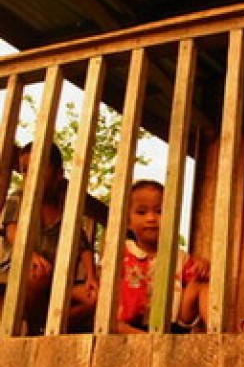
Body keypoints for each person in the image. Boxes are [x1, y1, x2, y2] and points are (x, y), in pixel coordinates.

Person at [1, 142, 98, 334]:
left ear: (58, 174)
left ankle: (48, 326)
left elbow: (83, 245)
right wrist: (29, 254)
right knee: (36, 274)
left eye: (39, 169)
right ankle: (36, 331)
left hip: (56, 279)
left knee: (95, 297)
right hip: (18, 270)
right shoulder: (19, 198)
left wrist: (91, 276)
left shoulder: (65, 210)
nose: (31, 177)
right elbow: (12, 230)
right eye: (26, 171)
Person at [117, 180, 209, 334]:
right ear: (128, 222)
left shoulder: (179, 257)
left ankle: (216, 331)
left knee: (202, 286)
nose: (151, 218)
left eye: (160, 211)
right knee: (114, 325)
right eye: (141, 212)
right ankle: (145, 339)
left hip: (172, 324)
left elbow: (197, 278)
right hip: (132, 324)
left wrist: (203, 265)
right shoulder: (122, 253)